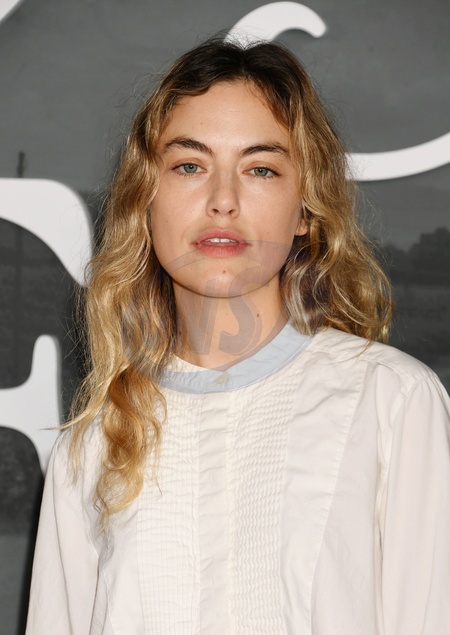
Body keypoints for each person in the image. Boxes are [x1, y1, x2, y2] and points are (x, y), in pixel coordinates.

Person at [26, 37, 450, 634]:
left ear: (305, 210)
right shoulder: (91, 445)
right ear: (145, 200)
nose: (222, 201)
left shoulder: (392, 403)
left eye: (260, 169)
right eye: (190, 166)